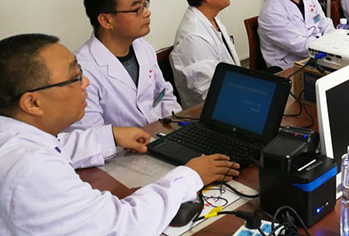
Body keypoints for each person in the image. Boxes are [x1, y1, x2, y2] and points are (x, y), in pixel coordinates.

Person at [0, 33, 239, 236]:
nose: (86, 82)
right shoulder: (33, 169)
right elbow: (122, 226)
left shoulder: (14, 135)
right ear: (33, 103)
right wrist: (191, 176)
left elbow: (58, 145)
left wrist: (110, 136)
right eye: (74, 78)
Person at [71, 0, 180, 130]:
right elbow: (92, 134)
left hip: (163, 133)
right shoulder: (82, 71)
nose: (147, 12)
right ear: (106, 20)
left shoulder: (143, 48)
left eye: (145, 4)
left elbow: (163, 95)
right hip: (122, 146)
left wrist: (177, 127)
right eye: (137, 9)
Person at [170, 0, 241, 108]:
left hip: (232, 95)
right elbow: (210, 93)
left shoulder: (211, 19)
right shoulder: (193, 38)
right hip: (212, 110)